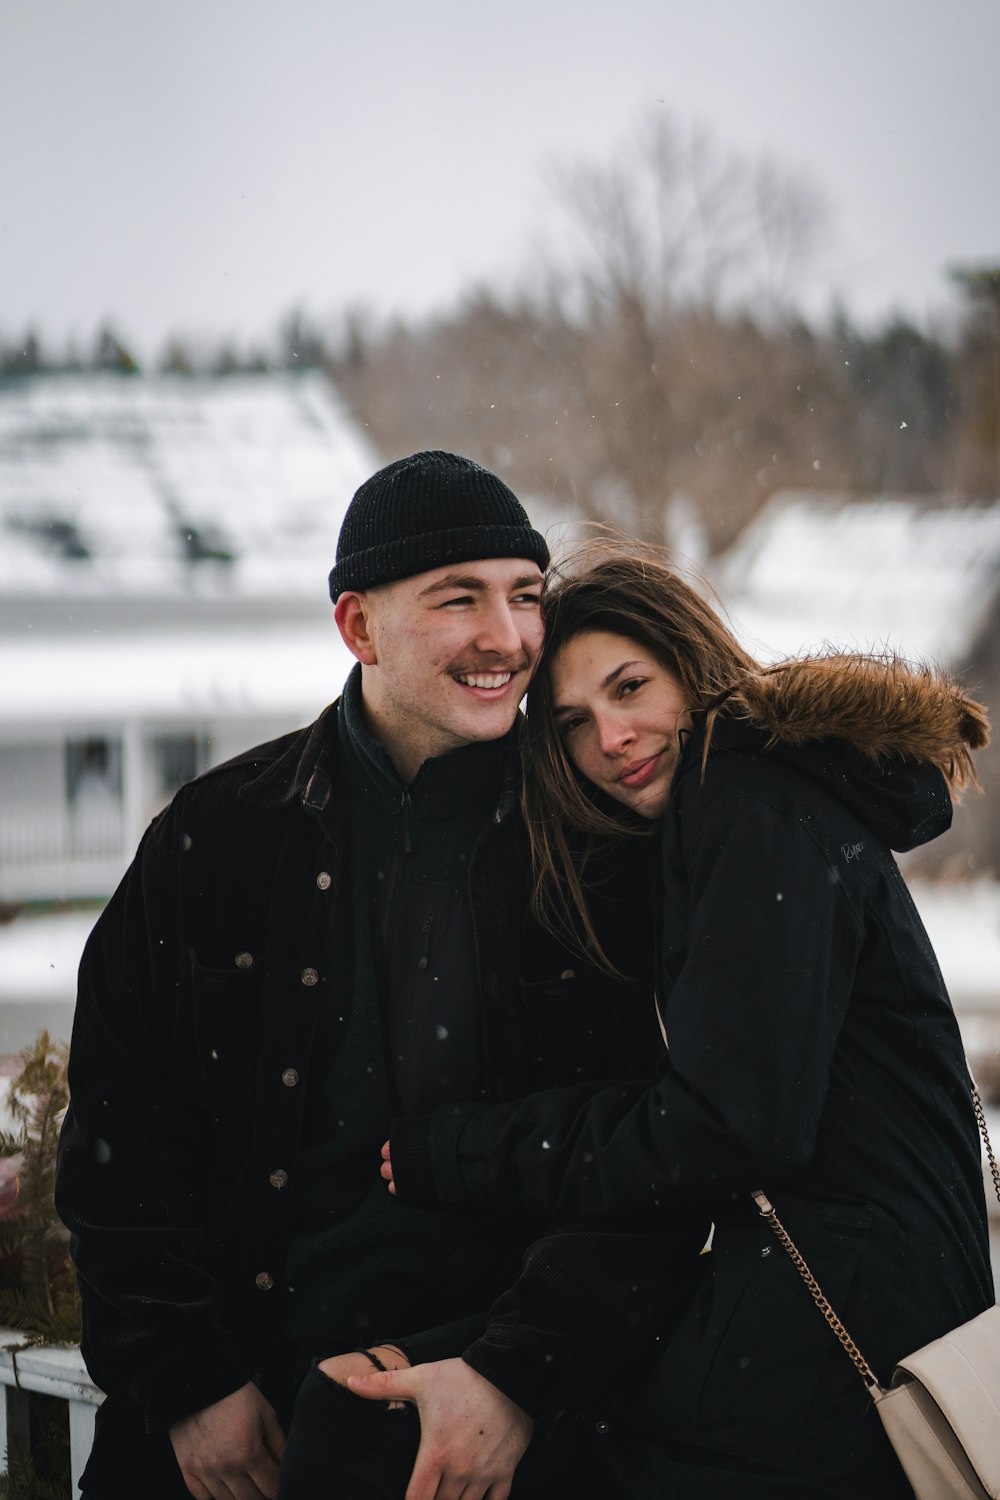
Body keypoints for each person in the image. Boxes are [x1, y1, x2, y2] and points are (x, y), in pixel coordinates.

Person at [55, 459, 692, 1500]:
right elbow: (120, 1144)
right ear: (358, 627)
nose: (508, 636)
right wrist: (188, 1382)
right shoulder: (216, 839)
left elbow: (644, 1160)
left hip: (477, 1432)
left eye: (526, 596)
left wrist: (514, 1378)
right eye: (459, 598)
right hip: (222, 1420)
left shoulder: (593, 855)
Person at [376, 542, 996, 1498]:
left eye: (631, 688)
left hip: (833, 1339)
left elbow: (729, 1122)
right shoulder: (768, 798)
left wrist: (469, 1150)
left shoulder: (750, 809)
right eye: (575, 722)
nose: (612, 738)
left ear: (693, 664)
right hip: (887, 1301)